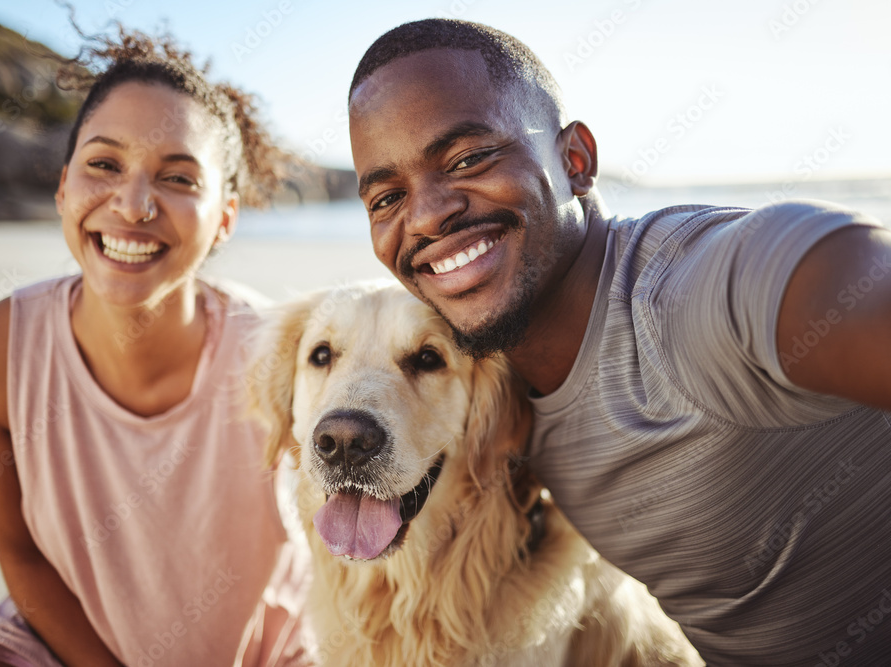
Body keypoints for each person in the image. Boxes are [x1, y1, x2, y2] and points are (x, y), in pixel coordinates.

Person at [347, 18, 891, 667]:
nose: (429, 214)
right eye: (386, 197)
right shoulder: (488, 389)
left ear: (575, 160)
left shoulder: (706, 292)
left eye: (468, 159)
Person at [0, 29, 309, 667]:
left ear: (224, 217)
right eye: (104, 165)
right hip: (58, 644)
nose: (134, 205)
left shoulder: (277, 354)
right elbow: (22, 558)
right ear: (63, 188)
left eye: (178, 177)